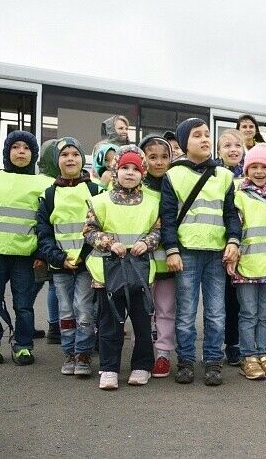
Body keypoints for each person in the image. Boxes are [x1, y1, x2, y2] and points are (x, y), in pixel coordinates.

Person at [160, 118, 241, 386]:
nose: (205, 139)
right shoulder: (173, 175)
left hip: (217, 255)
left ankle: (213, 361)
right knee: (185, 313)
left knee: (216, 312)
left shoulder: (224, 176)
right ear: (185, 143)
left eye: (207, 134)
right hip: (186, 254)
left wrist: (233, 241)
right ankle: (185, 361)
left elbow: (231, 214)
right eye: (197, 135)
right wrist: (171, 250)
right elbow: (167, 217)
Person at [0, 130, 50, 365]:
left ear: (34, 154)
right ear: (7, 152)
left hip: (26, 255)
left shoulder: (43, 183)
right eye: (15, 147)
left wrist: (41, 254)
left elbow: (45, 222)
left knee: (23, 305)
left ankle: (23, 345)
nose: (21, 152)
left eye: (26, 148)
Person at [83, 145, 160, 390]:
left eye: (135, 169)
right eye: (124, 167)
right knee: (110, 323)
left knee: (142, 323)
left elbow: (158, 231)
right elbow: (89, 231)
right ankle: (109, 368)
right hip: (108, 273)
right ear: (115, 170)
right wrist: (109, 243)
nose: (130, 173)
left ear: (142, 173)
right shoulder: (100, 202)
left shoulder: (152, 202)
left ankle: (142, 366)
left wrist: (146, 243)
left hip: (140, 271)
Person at [36, 137, 100, 376]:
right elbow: (43, 233)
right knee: (65, 311)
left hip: (86, 264)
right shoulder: (49, 194)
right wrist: (58, 258)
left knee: (84, 309)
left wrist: (83, 256)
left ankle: (83, 354)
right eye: (64, 155)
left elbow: (101, 227)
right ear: (57, 161)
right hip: (60, 265)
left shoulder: (95, 190)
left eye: (75, 154)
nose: (70, 159)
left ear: (82, 159)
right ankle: (69, 353)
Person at [231, 143, 266, 380]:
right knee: (248, 313)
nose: (259, 171)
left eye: (264, 167)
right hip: (246, 267)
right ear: (246, 169)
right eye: (254, 166)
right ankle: (248, 356)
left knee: (265, 313)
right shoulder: (239, 195)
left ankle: (264, 354)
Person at [138, 135, 175, 378]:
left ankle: (163, 354)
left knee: (166, 309)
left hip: (166, 263)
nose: (159, 162)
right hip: (141, 262)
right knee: (142, 310)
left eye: (164, 157)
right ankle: (142, 353)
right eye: (152, 157)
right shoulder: (135, 188)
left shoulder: (175, 187)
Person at [217, 129, 246, 366]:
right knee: (221, 299)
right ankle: (217, 344)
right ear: (218, 151)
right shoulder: (214, 175)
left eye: (237, 145)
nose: (233, 150)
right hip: (220, 245)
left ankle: (235, 343)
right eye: (227, 146)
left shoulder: (252, 174)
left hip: (247, 246)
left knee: (240, 299)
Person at [37, 138, 61, 343]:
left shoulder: (37, 179)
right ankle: (56, 327)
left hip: (39, 244)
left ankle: (53, 327)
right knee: (54, 284)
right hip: (52, 245)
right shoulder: (52, 184)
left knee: (47, 286)